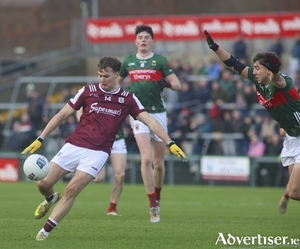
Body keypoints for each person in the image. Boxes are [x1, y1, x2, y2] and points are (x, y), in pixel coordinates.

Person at [21, 56, 187, 241]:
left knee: (71, 190)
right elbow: (62, 114)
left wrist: (169, 142)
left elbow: (150, 121)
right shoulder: (87, 91)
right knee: (43, 184)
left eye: (106, 76)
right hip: (74, 145)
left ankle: (43, 234)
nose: (102, 79)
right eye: (100, 75)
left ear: (117, 75)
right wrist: (41, 138)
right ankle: (51, 198)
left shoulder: (128, 99)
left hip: (98, 152)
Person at [204, 30, 300, 215]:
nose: (253, 70)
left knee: (294, 191)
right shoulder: (259, 82)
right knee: (294, 192)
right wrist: (215, 48)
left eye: (257, 67)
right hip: (291, 135)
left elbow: (277, 78)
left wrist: (274, 72)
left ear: (268, 70)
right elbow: (234, 64)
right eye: (254, 67)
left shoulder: (280, 82)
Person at [116, 24, 182, 223]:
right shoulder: (128, 61)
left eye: (146, 37)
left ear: (152, 41)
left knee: (159, 164)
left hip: (158, 115)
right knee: (145, 159)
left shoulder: (160, 61)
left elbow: (178, 84)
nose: (143, 40)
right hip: (138, 114)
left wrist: (166, 83)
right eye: (140, 37)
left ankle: (158, 195)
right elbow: (116, 83)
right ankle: (152, 204)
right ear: (135, 41)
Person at [77, 108, 127, 216]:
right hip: (99, 140)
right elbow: (80, 109)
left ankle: (112, 208)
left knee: (120, 175)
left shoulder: (122, 96)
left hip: (117, 140)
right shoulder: (95, 93)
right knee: (98, 178)